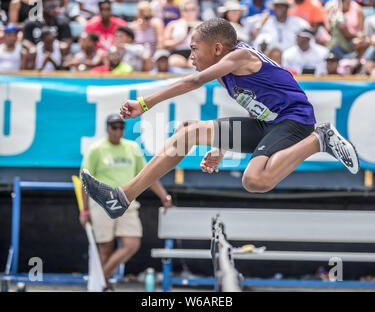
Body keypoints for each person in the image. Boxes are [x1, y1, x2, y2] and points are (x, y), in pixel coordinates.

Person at [81, 18, 360, 221]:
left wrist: (145, 103)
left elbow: (196, 81)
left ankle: (320, 140)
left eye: (193, 49)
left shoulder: (240, 57)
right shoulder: (230, 72)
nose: (190, 57)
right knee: (187, 133)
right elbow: (256, 108)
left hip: (295, 120)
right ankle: (122, 197)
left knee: (254, 180)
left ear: (216, 48)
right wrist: (221, 147)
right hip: (268, 122)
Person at [80, 114, 174, 291]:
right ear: (107, 129)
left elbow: (149, 175)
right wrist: (84, 211)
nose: (117, 131)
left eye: (121, 127)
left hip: (126, 201)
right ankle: (103, 285)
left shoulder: (132, 148)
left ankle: (100, 279)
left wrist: (164, 196)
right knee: (105, 246)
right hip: (101, 203)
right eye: (114, 127)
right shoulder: (96, 149)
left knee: (132, 243)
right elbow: (85, 182)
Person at [164, 0, 201, 68]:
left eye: (192, 9)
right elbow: (165, 43)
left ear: (197, 10)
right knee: (174, 62)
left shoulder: (202, 25)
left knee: (195, 64)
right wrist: (179, 41)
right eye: (186, 10)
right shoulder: (173, 24)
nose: (189, 12)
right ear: (181, 10)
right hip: (177, 53)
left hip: (196, 53)